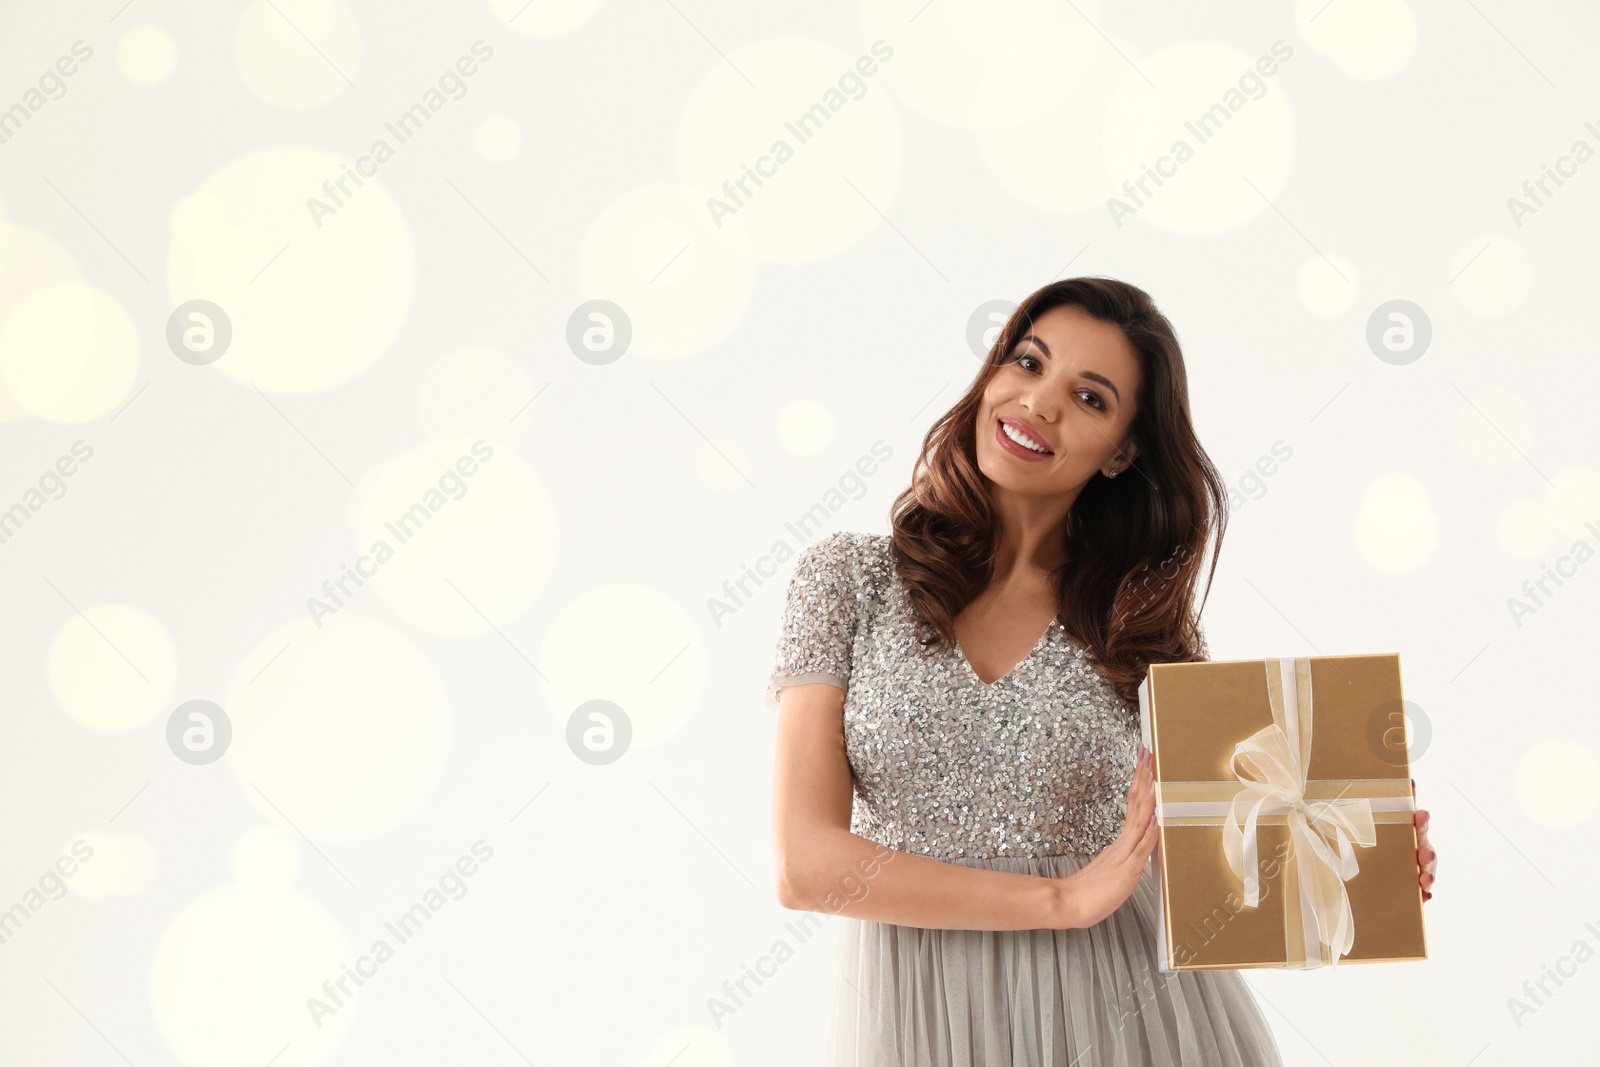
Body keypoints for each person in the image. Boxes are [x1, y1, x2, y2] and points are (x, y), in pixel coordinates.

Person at [766, 277, 1437, 1066]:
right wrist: (1061, 899)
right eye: (1027, 361)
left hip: (1125, 1014)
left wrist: (1355, 847)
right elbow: (805, 866)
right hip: (919, 1017)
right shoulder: (848, 579)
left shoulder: (1143, 619)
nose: (1038, 403)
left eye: (1089, 397)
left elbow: (1216, 864)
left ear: (1123, 449)